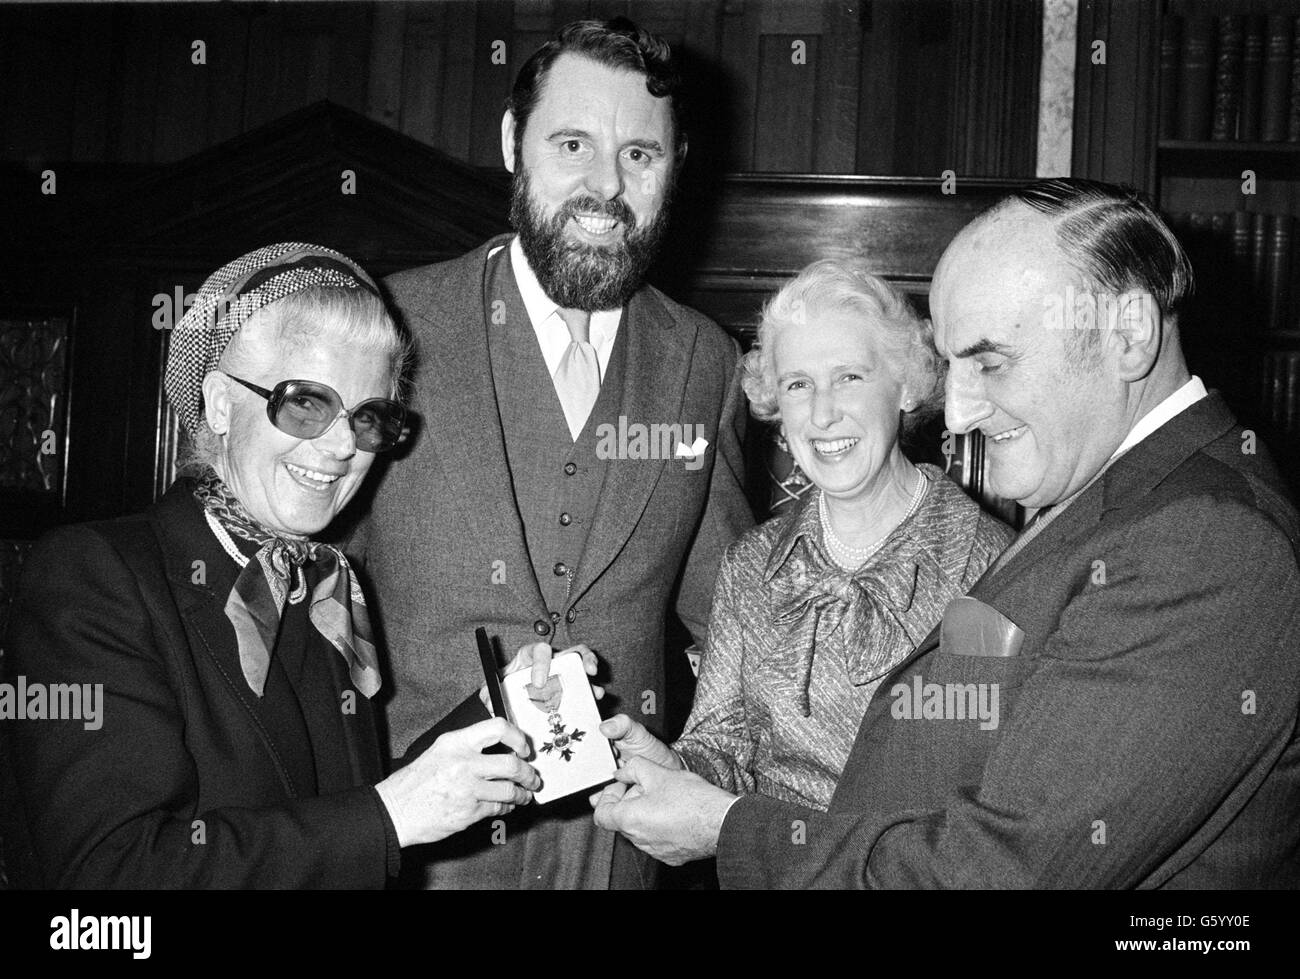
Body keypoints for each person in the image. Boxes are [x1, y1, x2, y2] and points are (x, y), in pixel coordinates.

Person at [593, 178, 1300, 888]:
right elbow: (952, 749)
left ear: (1129, 335)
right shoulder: (1105, 499)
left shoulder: (1205, 543)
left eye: (991, 362)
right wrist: (683, 779)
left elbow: (999, 869)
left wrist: (725, 827)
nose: (956, 415)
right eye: (800, 384)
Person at [2, 243, 555, 888]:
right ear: (217, 404)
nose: (343, 445)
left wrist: (492, 718)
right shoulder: (94, 576)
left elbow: (330, 813)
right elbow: (109, 882)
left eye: (368, 418)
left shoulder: (323, 587)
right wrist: (390, 818)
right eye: (305, 403)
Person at [351, 17, 753, 889]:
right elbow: (310, 585)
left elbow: (732, 620)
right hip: (416, 860)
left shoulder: (703, 362)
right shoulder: (387, 332)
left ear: (675, 167)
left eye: (641, 155)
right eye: (573, 143)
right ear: (511, 142)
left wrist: (713, 783)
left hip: (613, 857)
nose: (606, 185)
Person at [601, 259, 1011, 811]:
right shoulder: (750, 564)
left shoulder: (988, 562)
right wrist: (677, 767)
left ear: (907, 386)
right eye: (798, 385)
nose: (822, 413)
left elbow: (987, 782)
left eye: (849, 377)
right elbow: (723, 747)